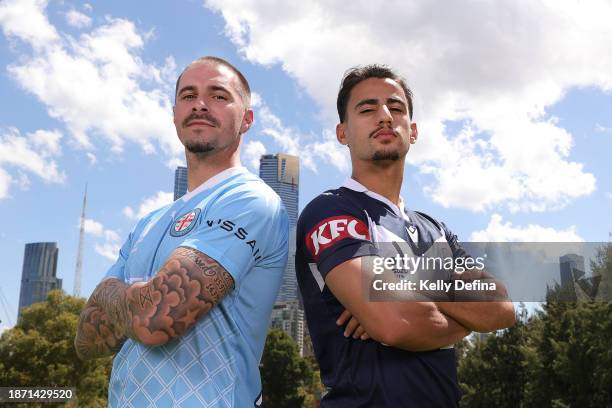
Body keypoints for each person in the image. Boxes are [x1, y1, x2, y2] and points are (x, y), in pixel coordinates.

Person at [295, 64, 516, 407]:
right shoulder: (330, 211)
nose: (384, 116)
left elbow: (501, 307)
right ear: (343, 133)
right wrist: (463, 315)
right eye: (367, 109)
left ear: (412, 131)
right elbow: (395, 322)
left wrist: (409, 289)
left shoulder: (437, 229)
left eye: (396, 108)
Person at [75, 56, 288, 408]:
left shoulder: (251, 199)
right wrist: (140, 298)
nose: (200, 104)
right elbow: (86, 338)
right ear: (174, 113)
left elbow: (157, 320)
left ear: (247, 119)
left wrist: (113, 291)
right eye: (188, 96)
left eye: (219, 96)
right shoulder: (147, 223)